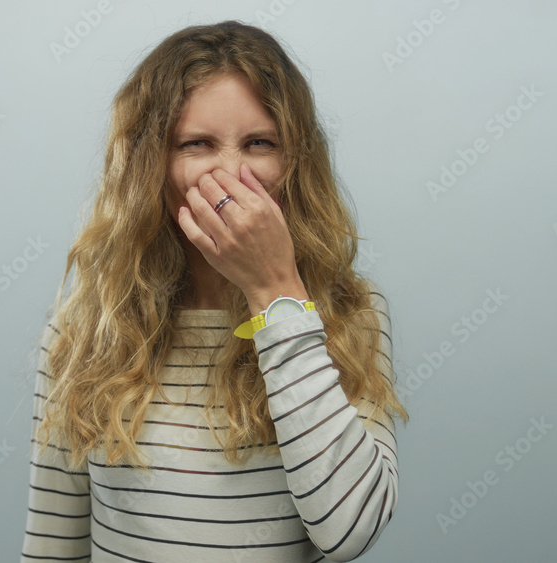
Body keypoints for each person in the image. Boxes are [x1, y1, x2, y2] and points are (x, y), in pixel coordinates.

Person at [20, 20, 408, 563]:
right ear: (151, 165)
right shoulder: (86, 326)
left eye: (259, 143)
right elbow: (52, 547)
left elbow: (350, 531)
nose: (231, 174)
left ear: (295, 162)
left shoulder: (352, 319)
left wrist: (275, 293)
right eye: (197, 144)